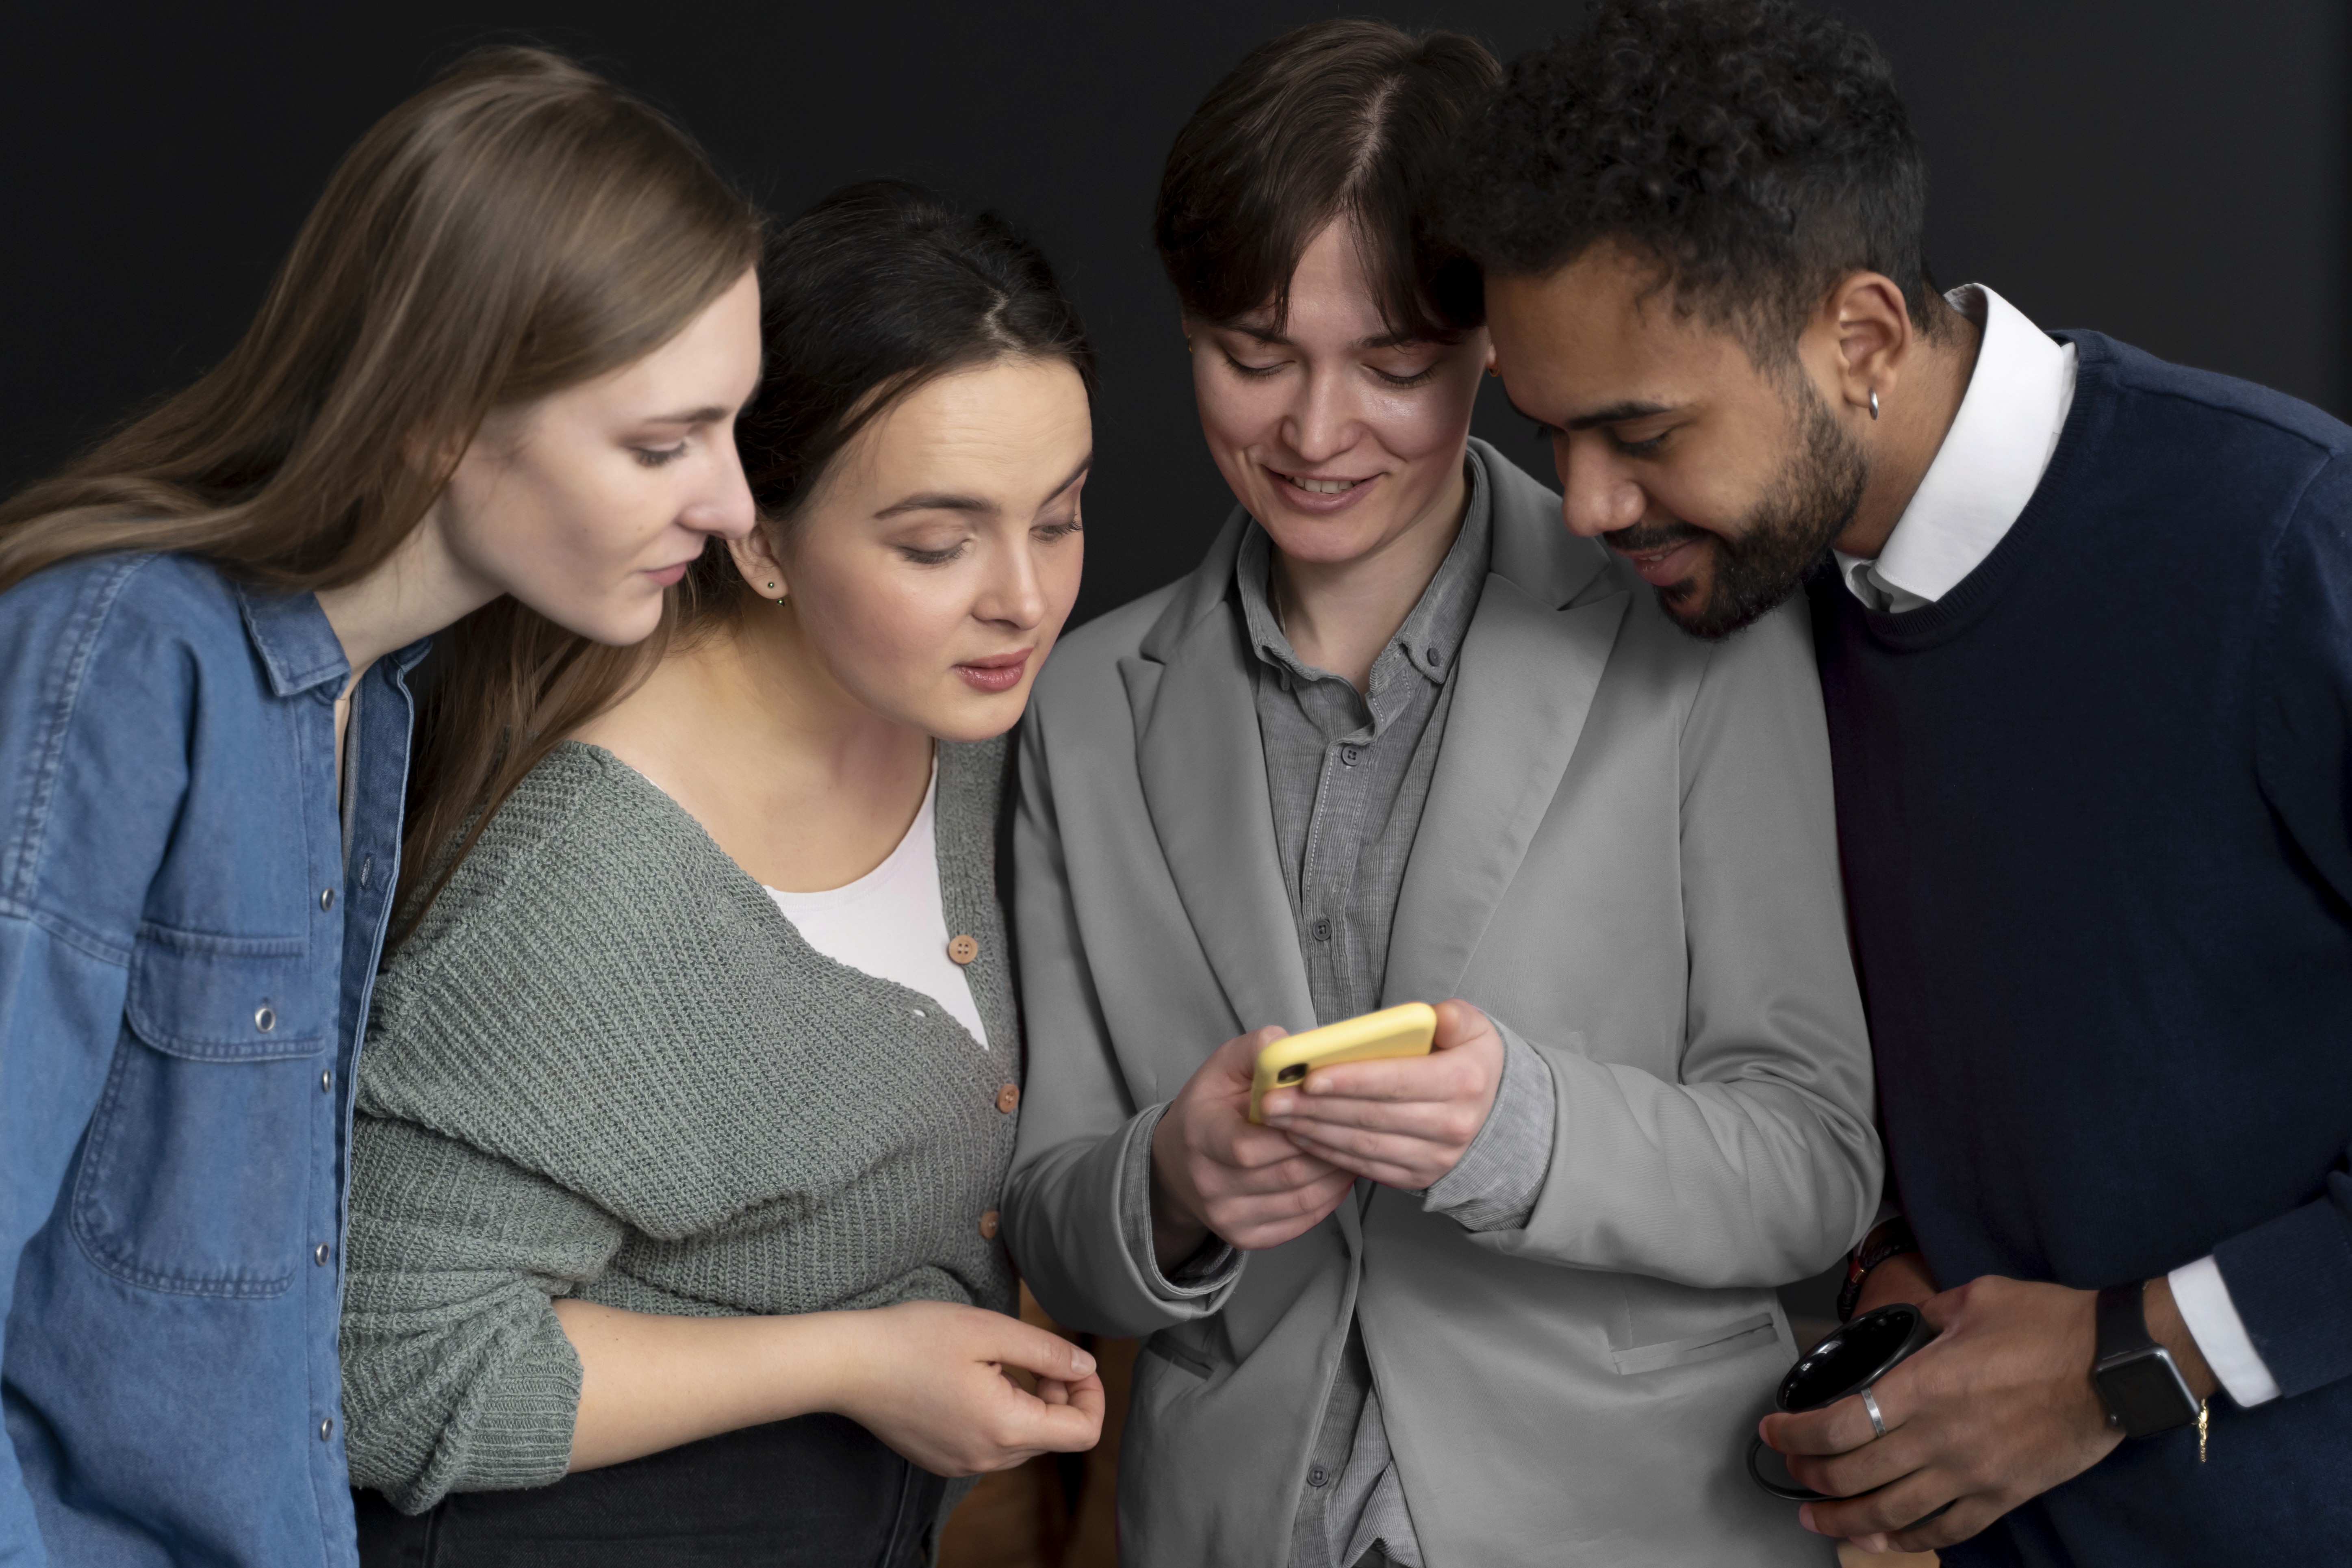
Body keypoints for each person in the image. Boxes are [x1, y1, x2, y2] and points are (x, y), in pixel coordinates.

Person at [1452, 0, 2352, 1561]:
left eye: (1639, 430)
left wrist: (2129, 1359)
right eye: (1547, 436)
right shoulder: (1755, 600)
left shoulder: (2289, 542)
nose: (1585, 503)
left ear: (1859, 337)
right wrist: (1884, 1256)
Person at [1001, 20, 1879, 1567]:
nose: (1314, 433)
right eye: (1251, 357)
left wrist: (1524, 1127)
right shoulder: (1076, 703)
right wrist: (1170, 1178)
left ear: (1494, 348)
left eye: (1394, 369)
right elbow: (1054, 1231)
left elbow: (1816, 1166)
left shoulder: (1695, 634)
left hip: (1635, 1523)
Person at [0, 48, 764, 1568]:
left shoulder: (385, 702)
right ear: (441, 415)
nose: (733, 503)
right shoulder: (127, 659)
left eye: (732, 431)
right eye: (661, 444)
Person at [338, 180, 1105, 1568]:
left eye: (1057, 516)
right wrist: (853, 1361)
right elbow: (380, 1372)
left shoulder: (959, 724)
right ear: (755, 535)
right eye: (937, 543)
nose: (1024, 596)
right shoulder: (587, 884)